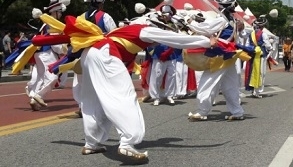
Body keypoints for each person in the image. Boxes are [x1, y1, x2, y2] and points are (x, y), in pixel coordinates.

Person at [32, 12, 227, 162]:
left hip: (90, 55)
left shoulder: (120, 31)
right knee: (123, 97)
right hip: (106, 56)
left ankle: (92, 143)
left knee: (92, 100)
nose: (162, 27)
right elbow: (173, 39)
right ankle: (128, 141)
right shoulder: (143, 29)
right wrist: (205, 41)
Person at [188, 0, 245, 121]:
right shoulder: (233, 20)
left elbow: (206, 29)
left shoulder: (222, 20)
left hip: (219, 55)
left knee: (207, 82)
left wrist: (190, 22)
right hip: (229, 56)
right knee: (230, 85)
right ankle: (237, 112)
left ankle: (202, 111)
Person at [25, 0, 70, 111]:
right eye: (59, 11)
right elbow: (55, 43)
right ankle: (38, 96)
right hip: (46, 52)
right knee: (53, 77)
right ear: (54, 11)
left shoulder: (45, 23)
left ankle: (33, 99)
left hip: (39, 53)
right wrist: (63, 50)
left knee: (41, 77)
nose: (60, 14)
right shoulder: (52, 24)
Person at [244, 15, 272, 98]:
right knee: (261, 73)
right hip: (260, 55)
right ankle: (257, 91)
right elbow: (268, 45)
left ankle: (253, 89)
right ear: (262, 26)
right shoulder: (263, 34)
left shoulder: (251, 34)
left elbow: (247, 45)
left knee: (252, 71)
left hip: (252, 54)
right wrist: (271, 48)